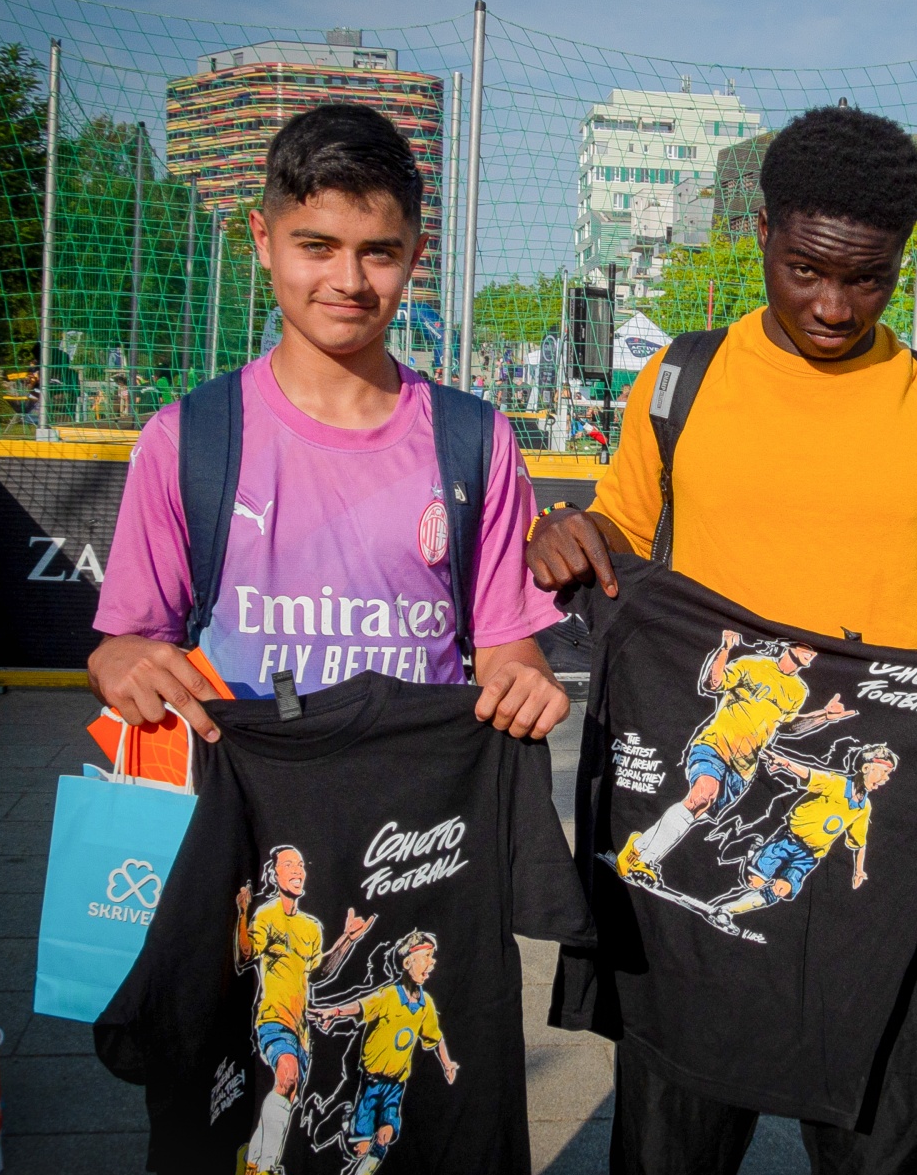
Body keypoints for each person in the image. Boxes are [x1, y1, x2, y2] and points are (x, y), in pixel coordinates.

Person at [526, 105, 917, 1175]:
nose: (833, 305)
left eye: (866, 279)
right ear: (763, 233)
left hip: (880, 856)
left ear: (901, 261)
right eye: (806, 270)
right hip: (702, 886)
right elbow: (617, 529)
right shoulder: (685, 380)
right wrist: (564, 534)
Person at [89, 102, 568, 740]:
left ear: (416, 256)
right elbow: (132, 643)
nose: (348, 281)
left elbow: (507, 648)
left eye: (378, 252)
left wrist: (525, 683)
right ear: (264, 240)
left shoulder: (476, 440)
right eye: (317, 246)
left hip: (417, 790)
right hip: (243, 782)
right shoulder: (186, 439)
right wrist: (114, 659)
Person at [615, 629, 850, 884]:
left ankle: (637, 849)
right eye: (807, 647)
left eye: (814, 651)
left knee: (697, 809)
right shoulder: (752, 664)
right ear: (789, 644)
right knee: (702, 795)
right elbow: (712, 684)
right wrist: (725, 649)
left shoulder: (798, 691)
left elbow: (789, 727)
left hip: (743, 769)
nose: (811, 653)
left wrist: (824, 716)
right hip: (714, 746)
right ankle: (645, 861)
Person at [233, 845, 371, 1175]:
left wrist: (347, 940)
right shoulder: (266, 915)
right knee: (287, 1077)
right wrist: (243, 912)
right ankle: (267, 1170)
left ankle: (251, 1168)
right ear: (274, 874)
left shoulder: (310, 927)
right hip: (273, 1017)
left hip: (301, 1029)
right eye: (288, 865)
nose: (297, 871)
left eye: (300, 865)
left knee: (287, 1092)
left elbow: (320, 972)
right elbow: (244, 956)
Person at [309, 930, 460, 1175]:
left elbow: (435, 1037)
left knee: (385, 1136)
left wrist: (447, 1063)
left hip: (395, 1086)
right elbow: (360, 1005)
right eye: (426, 957)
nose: (432, 963)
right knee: (360, 1148)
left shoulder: (425, 1005)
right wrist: (333, 1012)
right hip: (372, 1083)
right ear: (407, 962)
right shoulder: (388, 996)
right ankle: (346, 1122)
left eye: (433, 957)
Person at [716, 741, 898, 916]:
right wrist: (786, 763)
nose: (886, 778)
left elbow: (859, 842)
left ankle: (726, 911)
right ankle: (753, 849)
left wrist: (858, 870)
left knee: (782, 889)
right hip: (787, 841)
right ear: (866, 768)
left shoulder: (864, 807)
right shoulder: (836, 783)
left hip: (809, 856)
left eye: (889, 774)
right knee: (754, 882)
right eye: (884, 772)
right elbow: (810, 774)